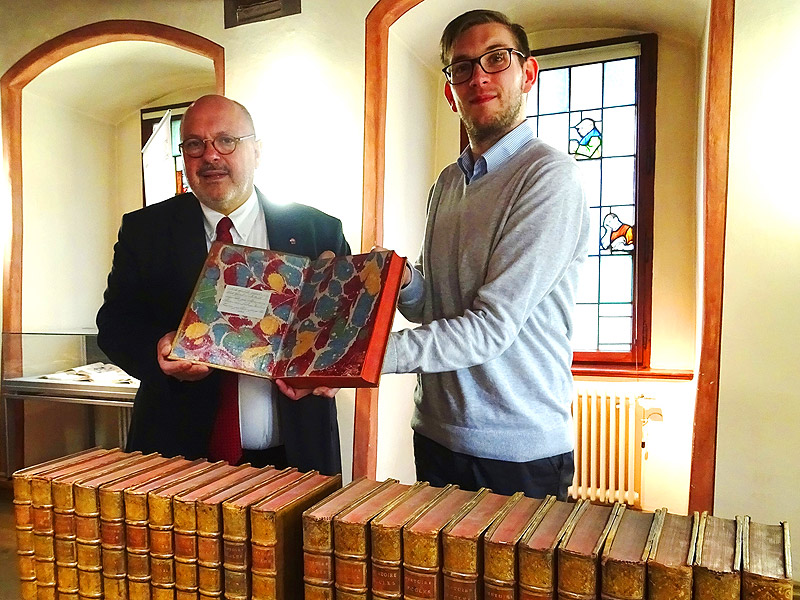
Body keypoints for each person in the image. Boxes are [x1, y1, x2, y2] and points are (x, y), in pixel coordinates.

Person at [380, 10, 590, 498]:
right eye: (461, 67)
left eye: (496, 59)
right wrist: (400, 280)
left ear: (527, 73)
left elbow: (490, 327)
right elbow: (436, 306)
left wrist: (362, 356)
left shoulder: (548, 177)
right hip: (436, 431)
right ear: (451, 93)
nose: (479, 77)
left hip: (517, 449)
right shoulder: (448, 184)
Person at [96, 95, 349, 475]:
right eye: (195, 144)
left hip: (297, 456)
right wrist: (159, 351)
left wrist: (333, 368)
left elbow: (345, 328)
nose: (210, 155)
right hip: (178, 455)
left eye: (227, 140)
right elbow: (115, 325)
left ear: (257, 151)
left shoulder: (317, 231)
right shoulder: (144, 231)